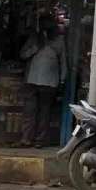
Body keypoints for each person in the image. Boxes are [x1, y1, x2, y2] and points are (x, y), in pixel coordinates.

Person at [20, 17, 67, 146]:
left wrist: (62, 80)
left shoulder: (59, 41)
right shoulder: (34, 39)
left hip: (49, 83)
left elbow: (63, 62)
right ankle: (26, 138)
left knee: (44, 113)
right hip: (32, 80)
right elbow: (22, 55)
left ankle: (39, 140)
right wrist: (35, 48)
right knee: (29, 111)